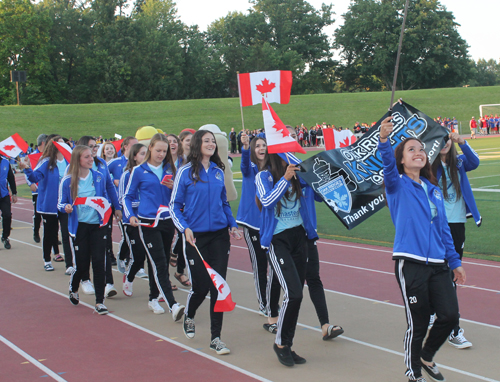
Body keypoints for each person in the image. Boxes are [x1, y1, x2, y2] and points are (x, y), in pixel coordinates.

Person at [379, 115, 466, 382]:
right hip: (411, 262)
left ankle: (426, 356)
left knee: (450, 315)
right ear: (402, 160)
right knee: (417, 323)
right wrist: (384, 140)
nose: (418, 152)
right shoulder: (396, 185)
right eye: (411, 149)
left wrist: (454, 262)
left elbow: (443, 231)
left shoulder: (433, 190)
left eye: (420, 149)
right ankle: (413, 373)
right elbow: (387, 165)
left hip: (439, 264)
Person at [170, 129, 241, 355]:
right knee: (200, 287)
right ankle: (190, 315)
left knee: (219, 287)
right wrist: (185, 228)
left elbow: (224, 203)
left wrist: (232, 224)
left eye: (214, 141)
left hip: (220, 236)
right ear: (198, 144)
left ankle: (216, 337)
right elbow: (174, 206)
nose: (211, 144)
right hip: (195, 237)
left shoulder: (219, 171)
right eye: (207, 141)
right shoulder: (185, 172)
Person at [255, 147, 318, 367]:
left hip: (299, 237)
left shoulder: (298, 173)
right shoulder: (263, 176)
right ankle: (280, 343)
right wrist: (285, 179)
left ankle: (288, 343)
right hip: (277, 239)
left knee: (298, 294)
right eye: (285, 151)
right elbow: (267, 201)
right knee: (293, 293)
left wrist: (315, 176)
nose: (291, 155)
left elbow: (318, 196)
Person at [124, 133, 185, 322]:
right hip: (148, 222)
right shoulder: (139, 170)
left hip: (167, 221)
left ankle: (152, 298)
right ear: (150, 148)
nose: (161, 154)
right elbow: (127, 196)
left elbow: (179, 195)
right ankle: (173, 304)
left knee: (161, 260)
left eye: (164, 151)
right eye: (158, 150)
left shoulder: (170, 168)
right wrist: (130, 215)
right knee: (159, 262)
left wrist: (173, 186)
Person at [431, 132, 480, 349]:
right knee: (435, 270)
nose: (444, 143)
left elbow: (475, 162)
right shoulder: (430, 166)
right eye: (439, 140)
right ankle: (443, 320)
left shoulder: (459, 162)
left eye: (447, 139)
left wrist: (462, 142)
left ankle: (449, 325)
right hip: (436, 223)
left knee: (452, 273)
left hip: (457, 223)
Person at [58, 145, 121, 314]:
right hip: (80, 227)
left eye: (91, 156)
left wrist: (116, 207)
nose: (91, 159)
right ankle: (74, 286)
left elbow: (110, 190)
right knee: (82, 264)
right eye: (86, 157)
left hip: (98, 225)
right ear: (78, 160)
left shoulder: (99, 176)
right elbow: (60, 203)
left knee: (99, 262)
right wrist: (67, 207)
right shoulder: (68, 181)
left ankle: (100, 302)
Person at [236, 132, 281, 328]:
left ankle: (272, 301)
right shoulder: (250, 169)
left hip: (270, 224)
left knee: (276, 265)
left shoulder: (273, 170)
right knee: (260, 266)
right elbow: (244, 165)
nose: (261, 149)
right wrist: (245, 147)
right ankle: (263, 303)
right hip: (252, 224)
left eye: (264, 145)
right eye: (258, 146)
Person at [20, 135, 70, 270]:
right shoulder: (46, 162)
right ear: (53, 145)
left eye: (64, 143)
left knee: (66, 233)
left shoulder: (68, 161)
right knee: (50, 233)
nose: (63, 145)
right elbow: (35, 177)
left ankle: (70, 264)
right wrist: (27, 168)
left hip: (66, 204)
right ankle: (47, 260)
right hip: (50, 205)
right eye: (59, 143)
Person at [119, 143, 160, 304]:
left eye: (146, 153)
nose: (145, 157)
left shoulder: (151, 173)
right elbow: (124, 198)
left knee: (154, 258)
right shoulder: (127, 175)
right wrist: (140, 205)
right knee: (139, 256)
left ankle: (156, 291)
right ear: (134, 156)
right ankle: (129, 277)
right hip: (132, 221)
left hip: (149, 220)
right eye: (142, 154)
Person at [108, 137, 139, 272]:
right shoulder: (116, 163)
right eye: (134, 145)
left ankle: (135, 262)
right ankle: (124, 256)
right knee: (128, 235)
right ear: (125, 146)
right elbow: (102, 174)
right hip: (122, 206)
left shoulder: (141, 166)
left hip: (140, 207)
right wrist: (113, 181)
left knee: (138, 236)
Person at [166, 134, 190, 289]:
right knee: (165, 241)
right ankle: (164, 279)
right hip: (164, 206)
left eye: (175, 141)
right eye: (169, 142)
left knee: (184, 236)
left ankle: (180, 271)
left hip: (182, 204)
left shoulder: (184, 161)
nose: (172, 144)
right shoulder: (161, 162)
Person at [0, 152, 17, 250]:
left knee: (7, 215)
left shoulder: (6, 162)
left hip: (4, 194)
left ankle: (5, 237)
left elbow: (11, 178)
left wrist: (14, 193)